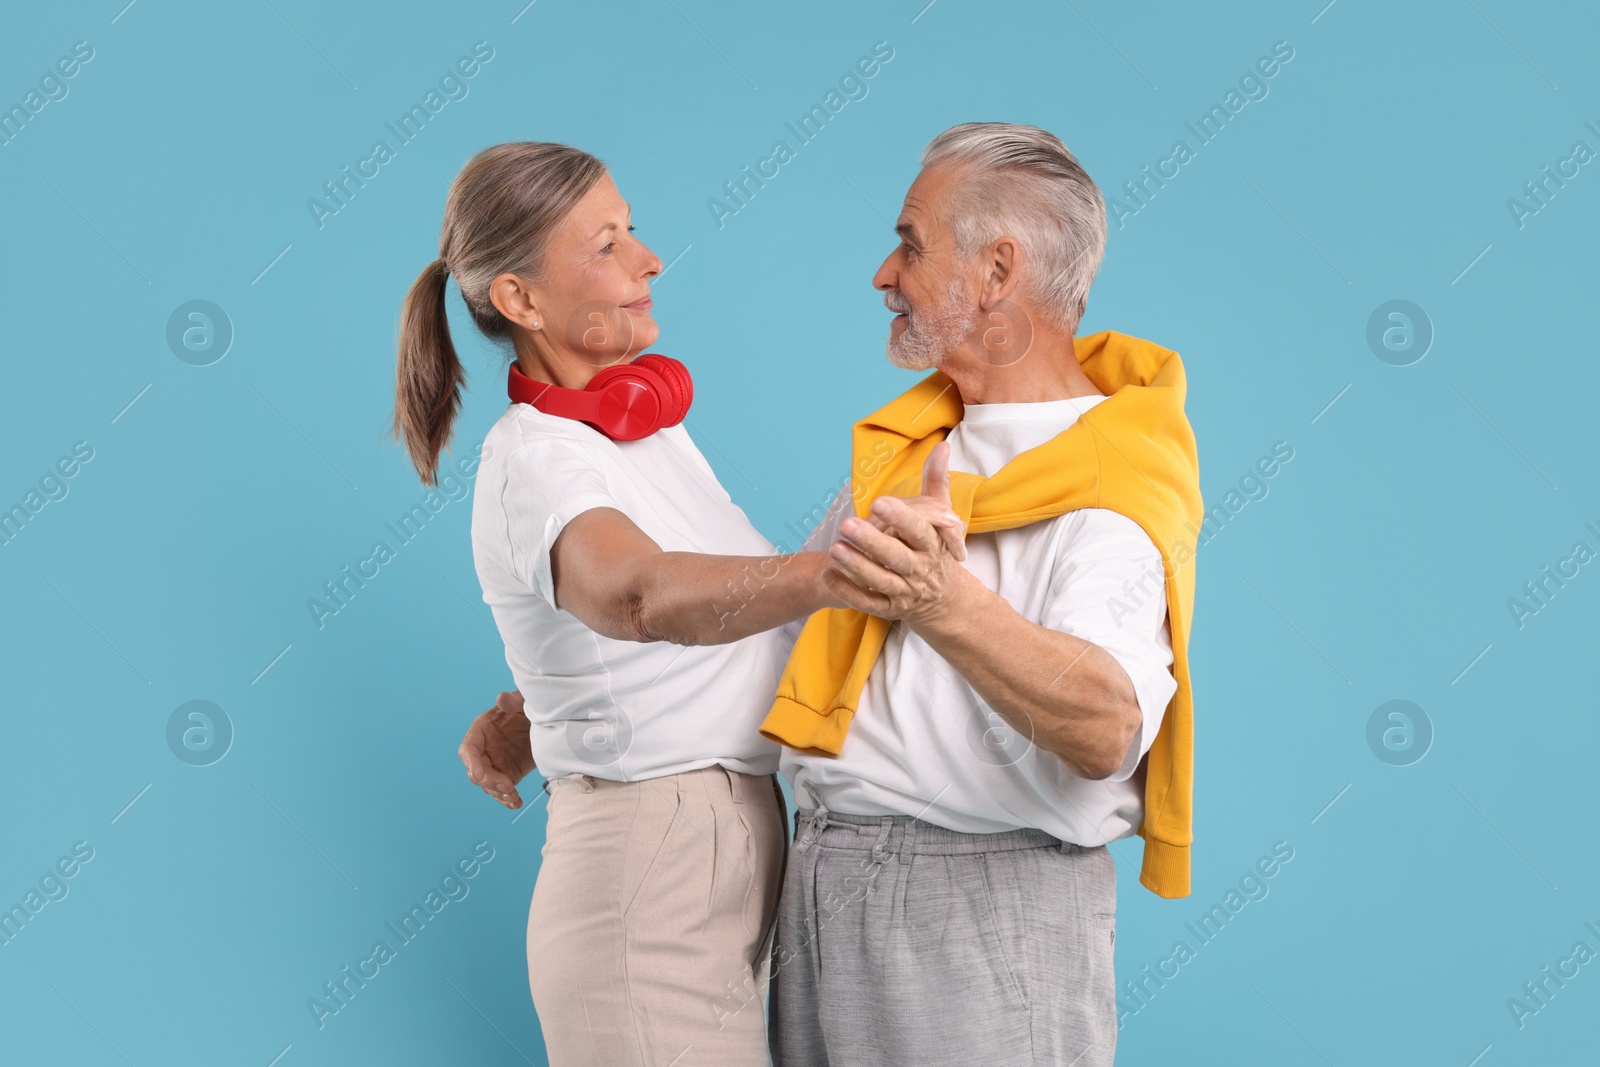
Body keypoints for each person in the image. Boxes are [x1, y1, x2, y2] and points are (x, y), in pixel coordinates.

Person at [462, 123, 1203, 1067]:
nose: (883, 274)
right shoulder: (917, 448)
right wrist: (562, 706)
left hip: (971, 908)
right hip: (825, 888)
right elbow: (772, 615)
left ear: (996, 272)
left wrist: (943, 602)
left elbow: (1107, 727)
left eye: (911, 243)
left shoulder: (1105, 483)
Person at [394, 141, 962, 1067]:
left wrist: (541, 715)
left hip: (718, 856)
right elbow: (639, 593)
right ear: (521, 300)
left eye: (634, 231)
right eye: (607, 242)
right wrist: (835, 575)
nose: (649, 259)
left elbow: (716, 637)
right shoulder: (535, 456)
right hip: (644, 884)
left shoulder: (642, 438)